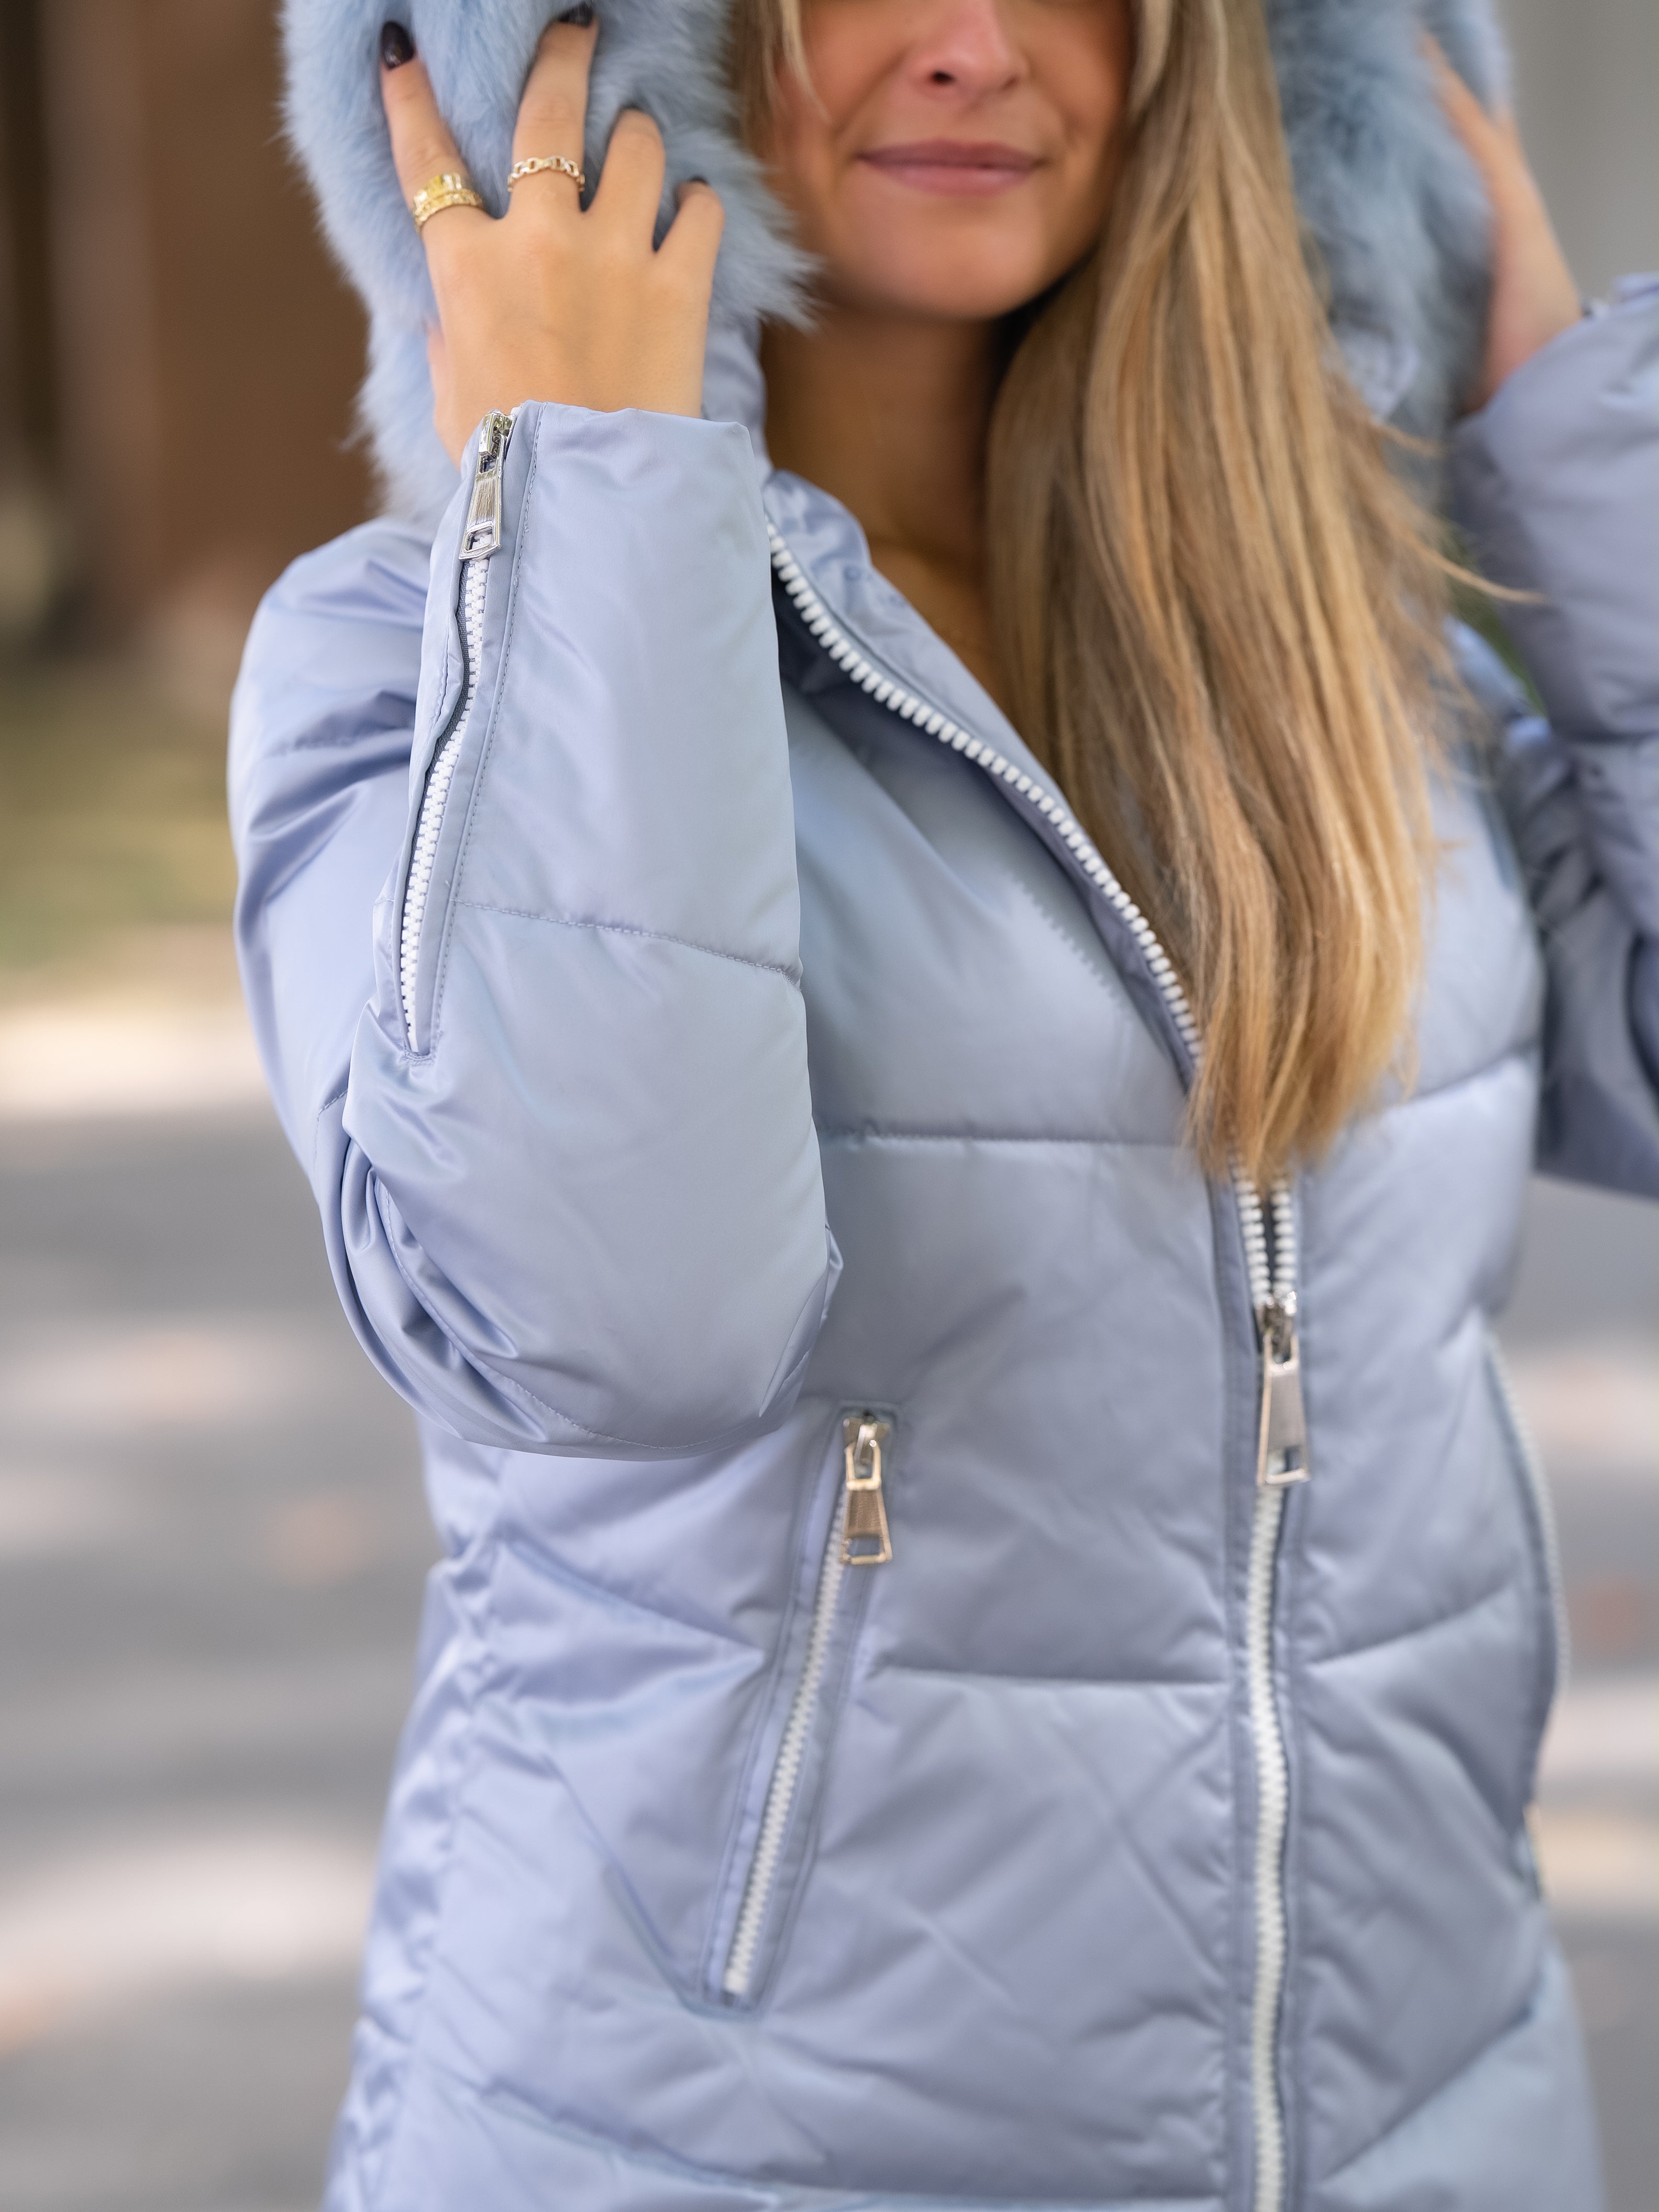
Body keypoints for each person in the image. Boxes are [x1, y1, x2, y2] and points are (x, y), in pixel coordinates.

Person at [231, 0, 1658, 2204]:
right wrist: (597, 496)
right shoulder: (412, 670)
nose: (980, 45)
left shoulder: (1343, 650)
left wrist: (1560, 423)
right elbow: (613, 1318)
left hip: (1428, 2125)